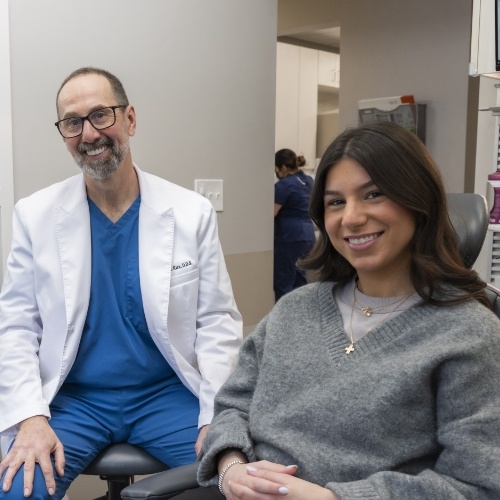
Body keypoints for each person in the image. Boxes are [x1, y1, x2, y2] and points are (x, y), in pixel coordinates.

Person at [169, 121, 500, 499]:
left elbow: (477, 485)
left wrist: (333, 498)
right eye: (336, 202)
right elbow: (231, 404)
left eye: (374, 194)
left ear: (418, 201)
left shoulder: (467, 333)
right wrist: (231, 468)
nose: (351, 217)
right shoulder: (294, 310)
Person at [0, 67, 243, 499]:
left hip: (167, 394)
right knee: (19, 488)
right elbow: (17, 327)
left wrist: (213, 416)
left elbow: (217, 323)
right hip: (73, 400)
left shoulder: (190, 212)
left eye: (101, 115)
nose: (89, 133)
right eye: (72, 122)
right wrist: (31, 419)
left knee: (235, 481)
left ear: (129, 119)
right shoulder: (35, 215)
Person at [273, 149, 315, 302]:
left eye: (276, 169)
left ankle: (283, 322)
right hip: (308, 236)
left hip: (289, 237)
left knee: (284, 281)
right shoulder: (309, 181)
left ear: (283, 168)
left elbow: (272, 213)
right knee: (300, 280)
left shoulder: (284, 185)